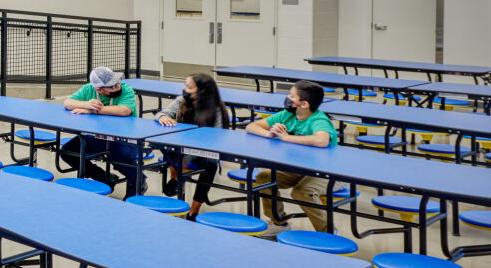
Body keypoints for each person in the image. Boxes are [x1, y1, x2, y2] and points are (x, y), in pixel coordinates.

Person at [244, 79, 337, 234]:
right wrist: (270, 133)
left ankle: (329, 234)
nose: (287, 98)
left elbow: (321, 140)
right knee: (264, 178)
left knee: (301, 192)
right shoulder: (287, 114)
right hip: (300, 168)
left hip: (329, 171)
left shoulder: (318, 119)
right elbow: (251, 126)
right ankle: (279, 224)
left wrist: (286, 137)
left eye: (292, 96)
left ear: (304, 104)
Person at [60, 66, 142, 197]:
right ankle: (104, 178)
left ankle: (138, 182)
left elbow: (124, 110)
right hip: (98, 136)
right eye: (111, 87)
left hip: (125, 137)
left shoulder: (126, 89)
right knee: (68, 152)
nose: (117, 87)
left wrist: (92, 110)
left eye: (117, 83)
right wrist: (85, 104)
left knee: (120, 156)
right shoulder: (88, 89)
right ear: (98, 89)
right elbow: (67, 102)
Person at [157, 72, 230, 218]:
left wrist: (188, 158)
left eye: (189, 87)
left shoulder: (215, 108)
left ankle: (194, 209)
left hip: (204, 150)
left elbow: (215, 139)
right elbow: (163, 112)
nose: (184, 89)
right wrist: (163, 117)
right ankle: (177, 177)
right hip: (181, 147)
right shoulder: (181, 101)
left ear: (202, 91)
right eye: (185, 85)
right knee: (162, 144)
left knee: (211, 165)